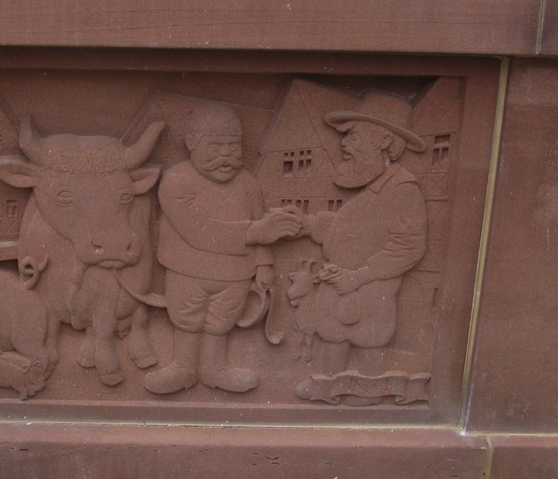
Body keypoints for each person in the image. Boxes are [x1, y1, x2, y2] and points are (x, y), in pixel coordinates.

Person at [144, 102, 301, 395]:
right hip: (187, 269)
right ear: (192, 144)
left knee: (221, 322)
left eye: (233, 147)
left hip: (235, 273)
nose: (226, 155)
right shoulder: (177, 180)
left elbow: (262, 225)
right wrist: (255, 232)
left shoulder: (247, 184)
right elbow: (199, 230)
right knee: (187, 319)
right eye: (216, 147)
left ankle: (214, 368)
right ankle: (183, 367)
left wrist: (264, 265)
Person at [295, 90, 427, 402]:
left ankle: (369, 397)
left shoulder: (401, 190)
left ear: (383, 141)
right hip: (339, 288)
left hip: (370, 292)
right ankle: (327, 390)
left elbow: (408, 246)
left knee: (369, 345)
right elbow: (351, 229)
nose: (344, 144)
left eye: (353, 137)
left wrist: (358, 276)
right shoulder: (373, 189)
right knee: (334, 340)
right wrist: (306, 224)